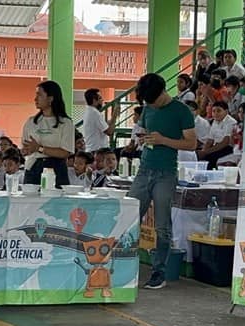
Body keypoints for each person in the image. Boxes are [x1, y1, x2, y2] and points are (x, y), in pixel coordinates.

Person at [128, 73, 196, 289]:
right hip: (144, 168)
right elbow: (144, 130)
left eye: (153, 100)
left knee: (162, 225)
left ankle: (159, 271)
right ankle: (124, 264)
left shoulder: (182, 111)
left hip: (166, 172)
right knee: (129, 217)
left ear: (163, 92)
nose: (151, 105)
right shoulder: (148, 108)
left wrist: (163, 140)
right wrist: (145, 138)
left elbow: (192, 143)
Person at [21, 80, 74, 188]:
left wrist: (39, 148)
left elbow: (65, 152)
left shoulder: (65, 123)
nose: (35, 99)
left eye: (39, 95)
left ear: (50, 98)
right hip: (33, 168)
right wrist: (25, 151)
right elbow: (25, 147)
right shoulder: (31, 122)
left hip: (56, 169)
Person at [198, 101, 237, 169]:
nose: (215, 113)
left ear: (226, 111)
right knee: (197, 155)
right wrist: (203, 151)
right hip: (216, 146)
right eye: (213, 111)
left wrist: (206, 152)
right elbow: (210, 140)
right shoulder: (215, 121)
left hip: (227, 148)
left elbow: (225, 142)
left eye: (218, 111)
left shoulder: (231, 122)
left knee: (210, 157)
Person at [82, 89, 119, 153]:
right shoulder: (95, 113)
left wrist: (112, 118)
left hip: (93, 149)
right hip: (98, 150)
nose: (102, 100)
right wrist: (115, 116)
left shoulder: (89, 111)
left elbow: (105, 125)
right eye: (100, 98)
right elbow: (109, 132)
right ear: (94, 100)